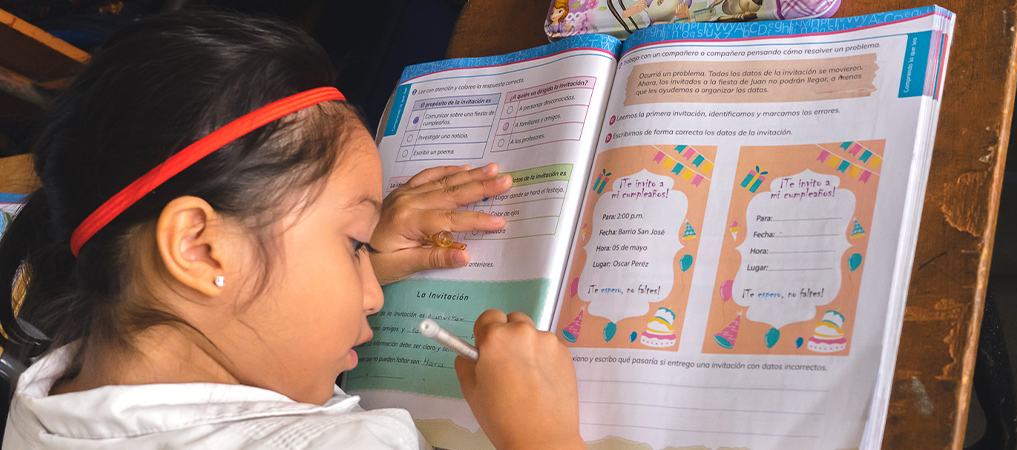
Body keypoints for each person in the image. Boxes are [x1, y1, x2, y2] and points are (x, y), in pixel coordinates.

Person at [0, 10, 583, 449]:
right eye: (353, 243)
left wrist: (359, 245)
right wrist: (541, 437)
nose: (373, 291)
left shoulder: (57, 390)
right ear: (200, 250)